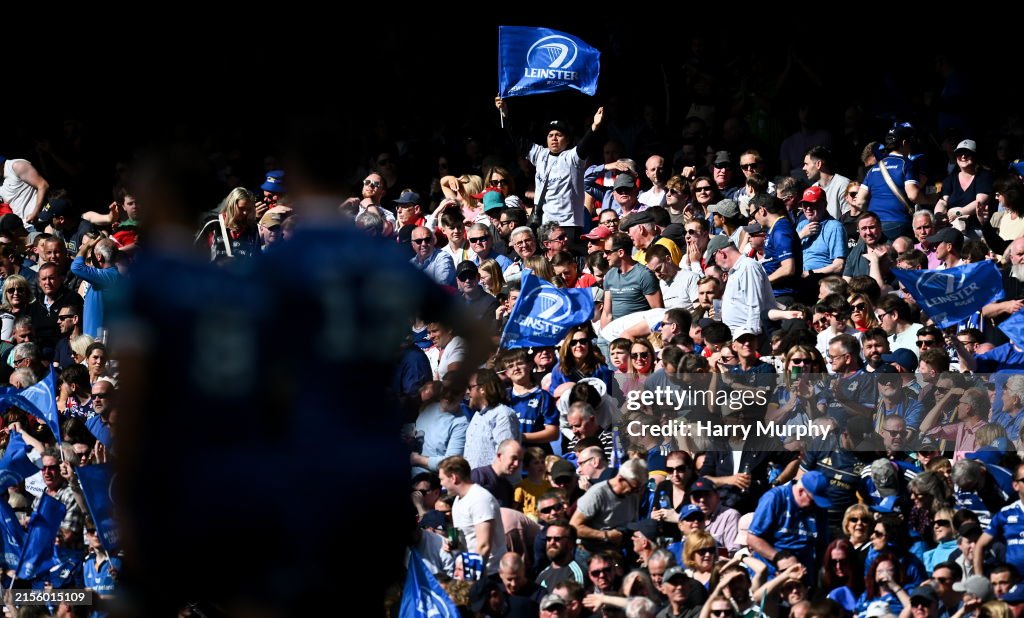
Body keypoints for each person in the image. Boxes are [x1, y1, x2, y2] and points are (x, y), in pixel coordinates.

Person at [495, 97, 604, 236]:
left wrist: (594, 127)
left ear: (568, 139)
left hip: (568, 223)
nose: (554, 138)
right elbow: (519, 140)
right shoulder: (540, 154)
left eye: (558, 135)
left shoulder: (572, 157)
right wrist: (505, 114)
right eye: (550, 135)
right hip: (545, 223)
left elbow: (585, 145)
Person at [746, 470, 832, 569]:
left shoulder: (819, 508)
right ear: (801, 491)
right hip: (771, 571)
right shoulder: (774, 498)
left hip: (803, 571)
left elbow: (822, 544)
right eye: (813, 501)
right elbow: (753, 538)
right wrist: (778, 557)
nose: (817, 506)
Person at [440, 455, 507, 577]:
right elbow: (465, 539)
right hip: (470, 571)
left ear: (453, 478)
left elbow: (484, 545)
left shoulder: (480, 499)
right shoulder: (457, 501)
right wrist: (452, 544)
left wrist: (472, 578)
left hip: (489, 574)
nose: (441, 485)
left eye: (442, 479)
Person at [855, 123, 920, 239]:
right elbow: (913, 195)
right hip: (898, 224)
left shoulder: (873, 169)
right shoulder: (906, 164)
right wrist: (930, 199)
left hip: (873, 226)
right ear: (904, 143)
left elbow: (859, 201)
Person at [463, 369, 521, 469]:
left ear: (482, 389)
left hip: (493, 483)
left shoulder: (503, 415)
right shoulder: (477, 415)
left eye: (470, 387)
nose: (468, 392)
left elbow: (506, 457)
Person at [803, 146, 852, 221]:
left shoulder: (843, 184)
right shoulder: (814, 187)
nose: (804, 168)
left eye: (807, 164)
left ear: (818, 164)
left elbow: (849, 219)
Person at [0, 155, 49, 224]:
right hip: (23, 226)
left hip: (39, 220)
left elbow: (43, 185)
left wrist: (35, 212)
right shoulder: (1, 181)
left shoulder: (16, 165)